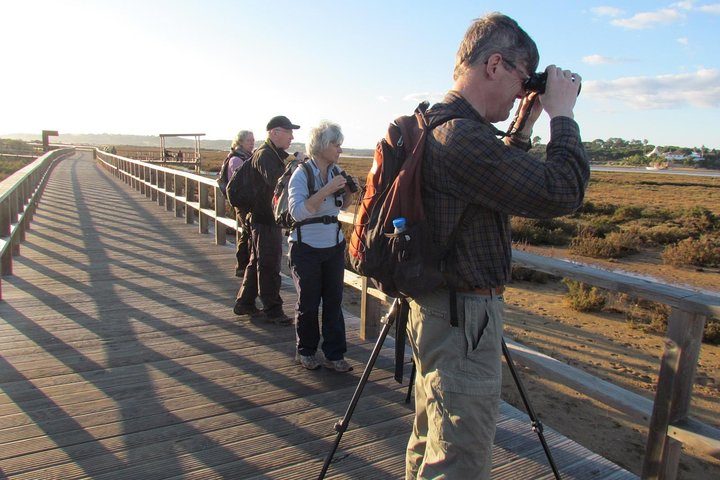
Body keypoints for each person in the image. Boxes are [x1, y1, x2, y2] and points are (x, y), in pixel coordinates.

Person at [405, 13, 589, 479]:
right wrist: (562, 115)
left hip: (437, 310)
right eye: (522, 79)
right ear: (494, 65)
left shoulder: (437, 122)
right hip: (464, 319)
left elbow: (492, 178)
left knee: (431, 442)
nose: (522, 91)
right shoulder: (461, 137)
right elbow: (561, 190)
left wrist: (522, 125)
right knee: (459, 460)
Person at [287, 121, 355, 372]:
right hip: (306, 246)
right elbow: (297, 212)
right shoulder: (302, 174)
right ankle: (306, 350)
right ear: (322, 146)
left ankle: (335, 354)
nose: (340, 150)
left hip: (333, 244)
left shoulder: (336, 171)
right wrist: (326, 189)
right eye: (336, 145)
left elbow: (343, 207)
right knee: (309, 302)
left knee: (334, 301)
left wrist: (349, 192)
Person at [233, 116, 299, 325]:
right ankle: (273, 310)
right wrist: (295, 165)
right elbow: (278, 182)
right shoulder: (265, 155)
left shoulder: (272, 154)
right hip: (264, 219)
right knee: (269, 263)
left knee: (257, 261)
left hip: (262, 218)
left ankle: (245, 303)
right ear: (274, 132)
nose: (292, 136)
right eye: (288, 131)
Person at [227, 130, 255, 277]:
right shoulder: (236, 160)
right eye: (249, 140)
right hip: (242, 203)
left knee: (247, 232)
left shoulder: (248, 157)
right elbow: (241, 183)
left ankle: (244, 266)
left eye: (253, 140)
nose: (252, 143)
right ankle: (243, 266)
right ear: (240, 142)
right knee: (248, 232)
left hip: (248, 202)